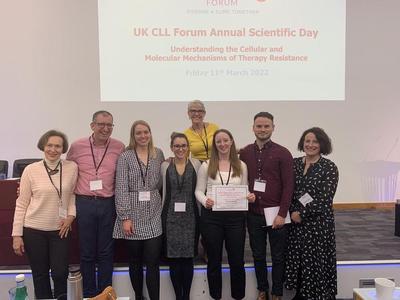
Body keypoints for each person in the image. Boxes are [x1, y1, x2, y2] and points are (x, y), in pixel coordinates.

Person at [12, 130, 78, 299]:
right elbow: (21, 203)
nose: (53, 149)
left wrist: (70, 216)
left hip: (60, 229)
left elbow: (72, 195)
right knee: (40, 275)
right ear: (43, 146)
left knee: (60, 272)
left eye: (58, 146)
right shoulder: (30, 170)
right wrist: (17, 235)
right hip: (33, 229)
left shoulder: (71, 167)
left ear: (63, 149)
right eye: (49, 145)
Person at [67, 111, 125, 297]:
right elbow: (66, 173)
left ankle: (106, 292)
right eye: (101, 124)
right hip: (84, 203)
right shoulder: (77, 147)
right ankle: (90, 294)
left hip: (108, 203)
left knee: (106, 251)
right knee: (87, 251)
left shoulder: (119, 147)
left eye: (110, 125)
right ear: (92, 125)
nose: (105, 129)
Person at [239, 112, 294, 300]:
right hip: (253, 214)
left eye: (266, 126)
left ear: (273, 128)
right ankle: (262, 289)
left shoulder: (283, 153)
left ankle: (277, 292)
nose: (262, 129)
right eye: (259, 126)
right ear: (253, 128)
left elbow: (289, 186)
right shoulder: (245, 152)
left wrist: (282, 213)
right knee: (258, 255)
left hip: (276, 214)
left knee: (278, 256)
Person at [195, 129, 255, 300]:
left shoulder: (241, 165)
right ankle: (216, 296)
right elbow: (198, 191)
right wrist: (205, 200)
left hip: (235, 218)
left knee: (237, 259)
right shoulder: (206, 165)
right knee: (214, 259)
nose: (222, 144)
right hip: (211, 218)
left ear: (231, 142)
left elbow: (245, 189)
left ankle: (238, 296)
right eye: (218, 141)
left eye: (225, 140)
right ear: (215, 145)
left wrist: (249, 196)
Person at [113, 120, 165, 300]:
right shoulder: (125, 156)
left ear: (150, 133)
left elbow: (160, 182)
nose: (143, 136)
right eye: (139, 133)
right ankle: (138, 297)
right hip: (132, 214)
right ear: (133, 136)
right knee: (135, 262)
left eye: (146, 132)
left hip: (153, 213)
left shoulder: (158, 154)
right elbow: (120, 188)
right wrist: (125, 217)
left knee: (153, 263)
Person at [285, 127, 339, 300]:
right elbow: (287, 190)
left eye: (315, 141)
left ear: (322, 144)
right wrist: (292, 211)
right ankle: (301, 294)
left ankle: (319, 295)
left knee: (316, 261)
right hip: (295, 223)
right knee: (298, 259)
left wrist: (301, 213)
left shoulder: (329, 167)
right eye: (307, 141)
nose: (310, 144)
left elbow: (325, 199)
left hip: (317, 224)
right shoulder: (293, 164)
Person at [161, 132, 201, 300]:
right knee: (173, 259)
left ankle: (186, 296)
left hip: (191, 217)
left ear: (188, 147)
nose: (180, 148)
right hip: (170, 218)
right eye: (177, 146)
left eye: (183, 145)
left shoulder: (197, 164)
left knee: (187, 259)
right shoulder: (164, 166)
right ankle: (179, 296)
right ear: (171, 147)